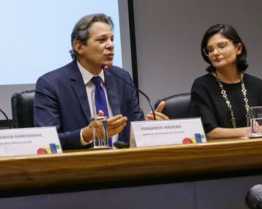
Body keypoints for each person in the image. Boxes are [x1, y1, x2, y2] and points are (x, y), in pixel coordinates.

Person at [33, 13, 166, 150]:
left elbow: (134, 129)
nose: (111, 45)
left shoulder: (122, 78)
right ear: (79, 47)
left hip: (123, 164)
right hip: (79, 166)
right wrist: (85, 135)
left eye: (112, 39)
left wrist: (151, 128)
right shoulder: (51, 84)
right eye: (102, 40)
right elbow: (48, 141)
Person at [188, 24, 262, 139]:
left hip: (258, 151)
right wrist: (248, 131)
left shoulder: (257, 85)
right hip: (221, 152)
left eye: (221, 46)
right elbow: (208, 132)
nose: (215, 53)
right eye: (210, 50)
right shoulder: (202, 86)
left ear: (238, 48)